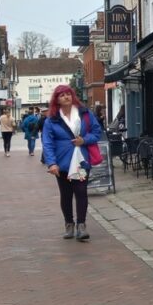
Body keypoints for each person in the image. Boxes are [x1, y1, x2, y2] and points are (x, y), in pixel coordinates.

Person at [41, 85, 102, 242]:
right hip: (62, 163)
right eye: (62, 95)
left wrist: (84, 140)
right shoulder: (51, 119)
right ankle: (69, 224)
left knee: (81, 191)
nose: (66, 97)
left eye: (68, 94)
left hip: (81, 161)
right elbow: (47, 143)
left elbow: (96, 132)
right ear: (57, 99)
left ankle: (81, 226)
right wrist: (51, 163)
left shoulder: (85, 113)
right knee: (66, 194)